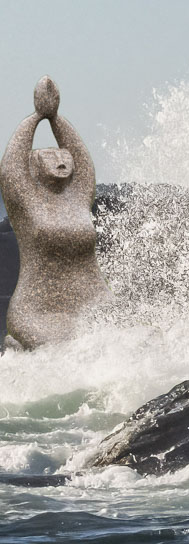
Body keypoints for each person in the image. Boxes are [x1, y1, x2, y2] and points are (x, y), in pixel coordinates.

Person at [0, 77, 113, 349]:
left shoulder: (78, 197)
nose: (60, 161)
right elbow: (12, 167)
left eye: (63, 156)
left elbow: (83, 159)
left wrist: (56, 118)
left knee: (132, 338)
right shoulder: (27, 202)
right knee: (64, 348)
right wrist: (39, 116)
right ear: (34, 166)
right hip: (39, 311)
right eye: (48, 157)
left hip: (93, 304)